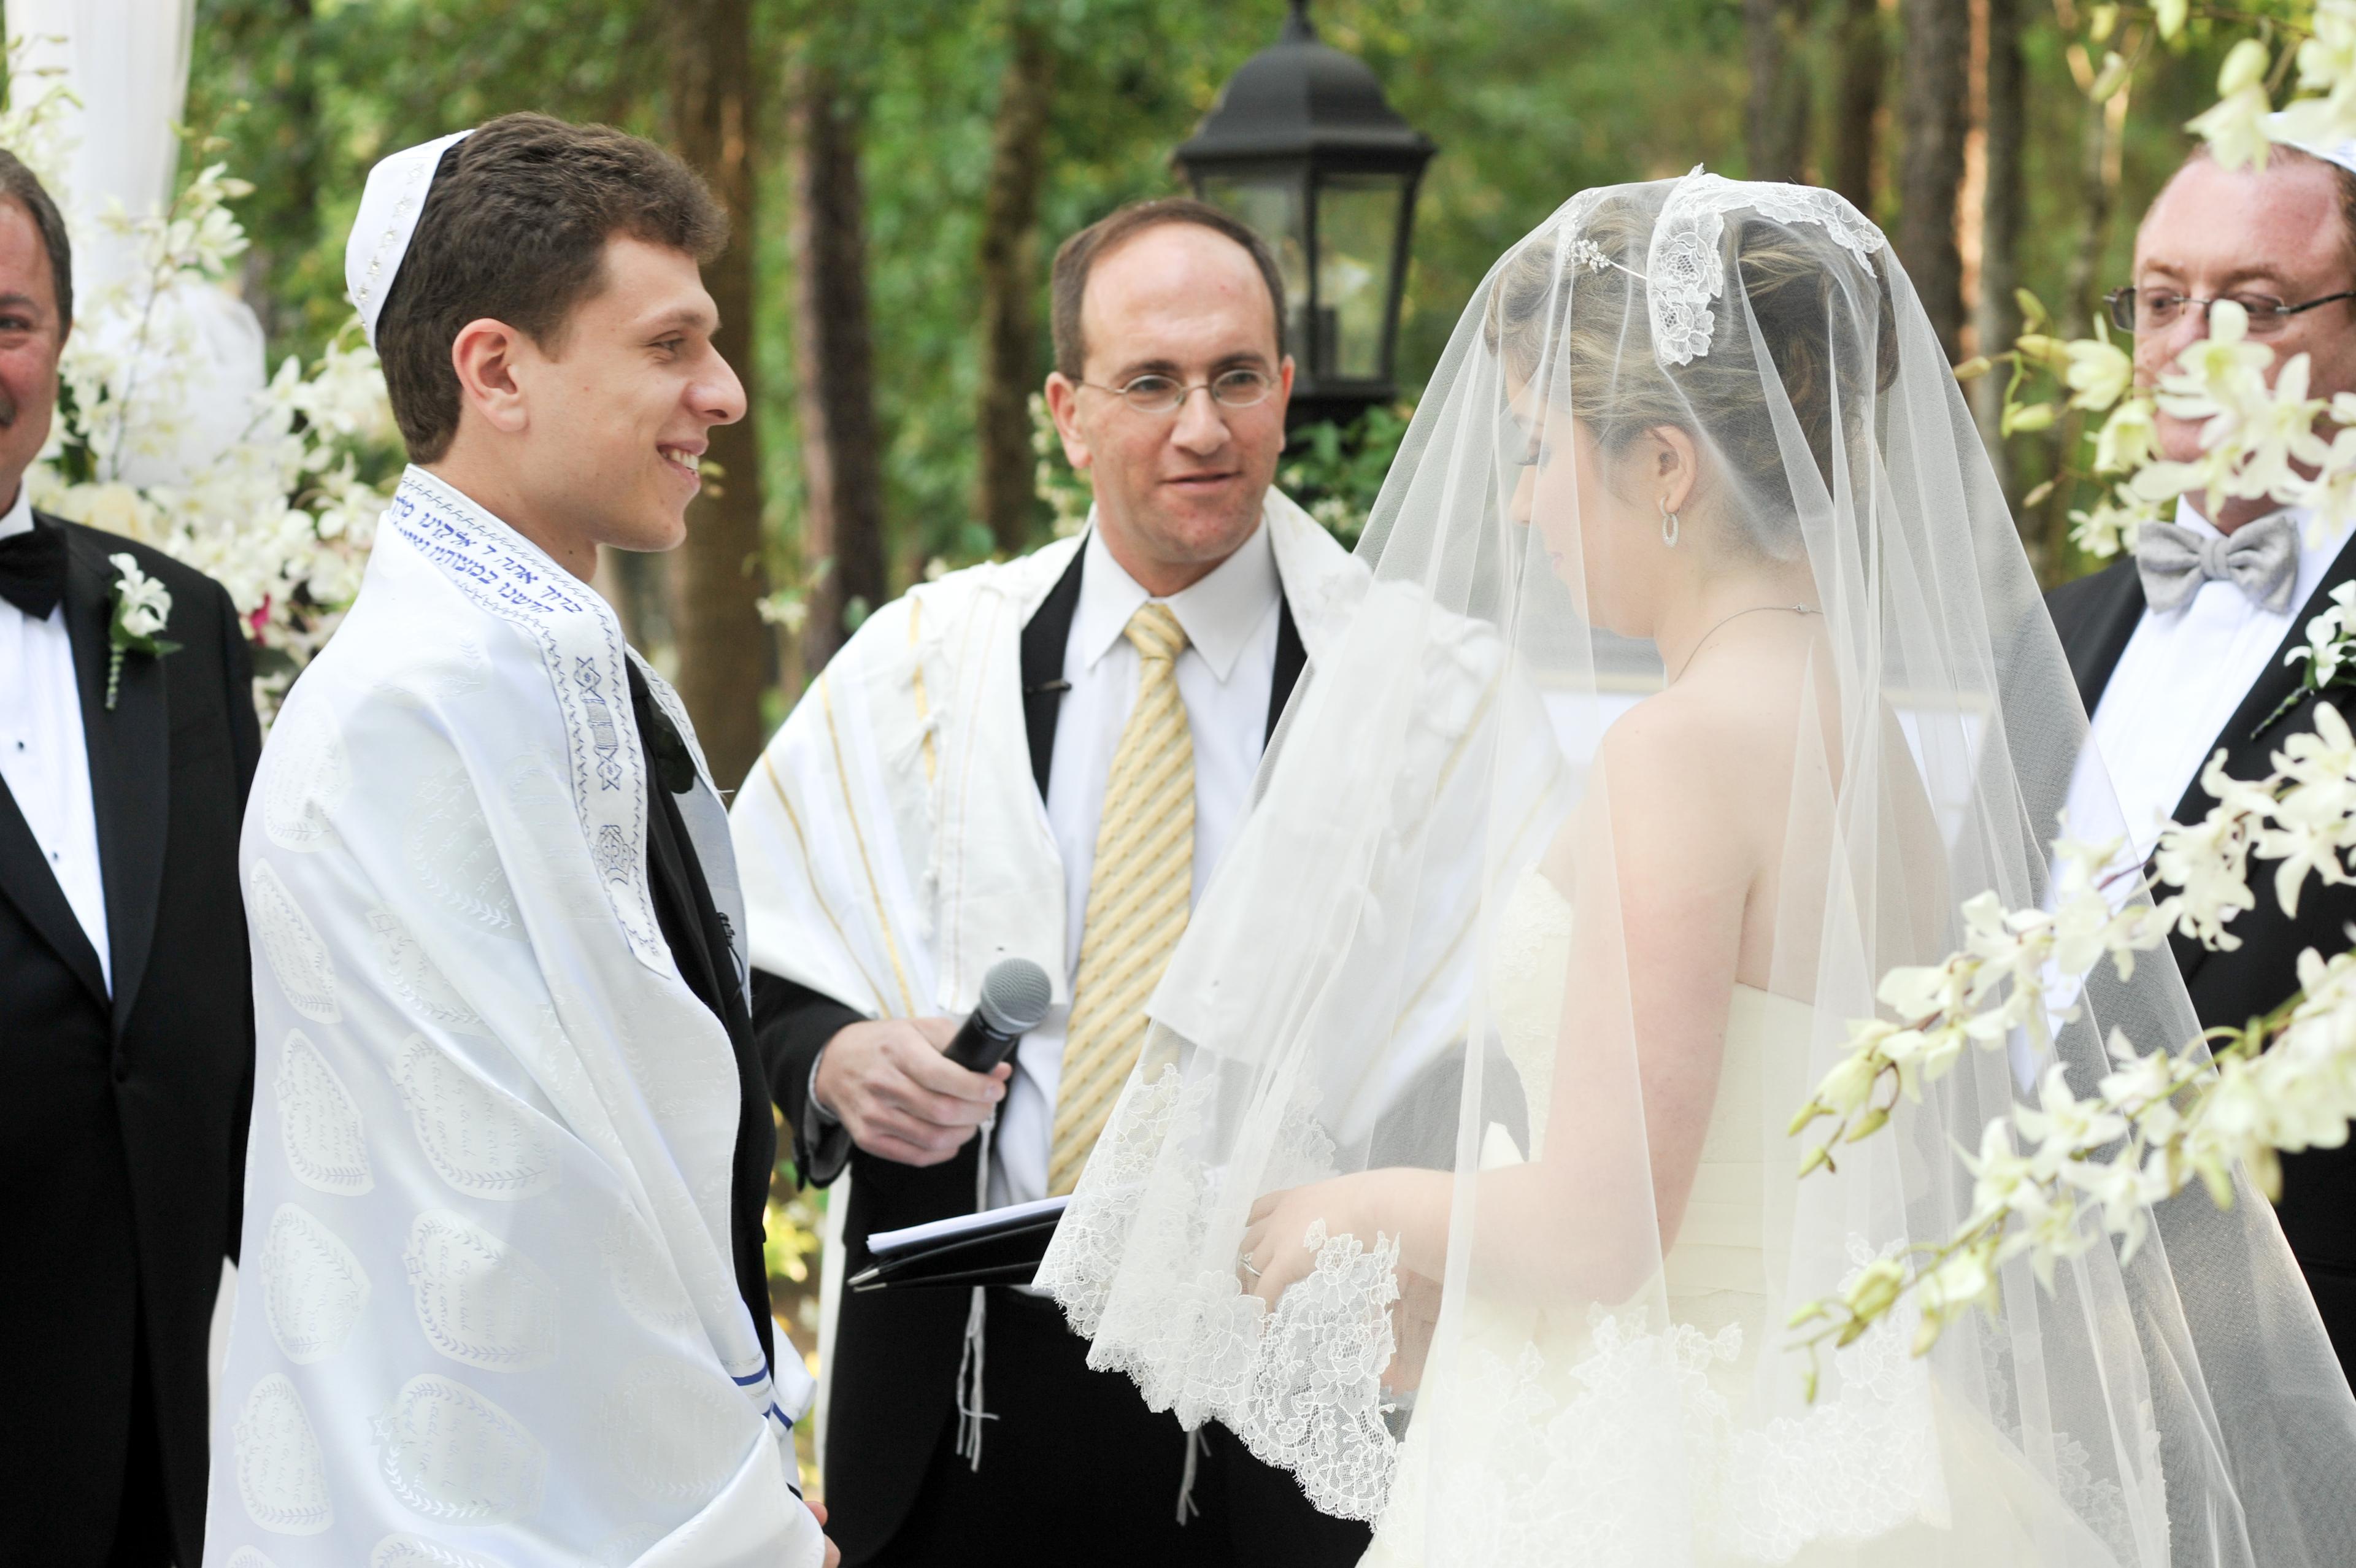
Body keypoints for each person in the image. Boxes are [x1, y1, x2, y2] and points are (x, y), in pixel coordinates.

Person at [1039, 173, 2356, 1566]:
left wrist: (1340, 1215)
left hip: (1687, 1469)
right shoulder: (1869, 737)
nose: (1525, 502)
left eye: (1542, 449)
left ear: (1666, 467)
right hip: (1859, 1430)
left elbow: (1603, 1225)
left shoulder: (1676, 754)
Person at [203, 115, 829, 1567]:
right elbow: (515, 1211)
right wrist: (749, 1522)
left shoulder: (537, 660)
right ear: (496, 371)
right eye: (670, 346)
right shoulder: (415, 711)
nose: (724, 393)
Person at [731, 199, 1392, 1566]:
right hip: (963, 1401)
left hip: (1277, 1412)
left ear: (1283, 388)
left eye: (1237, 378)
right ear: (1067, 411)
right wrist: (837, 1061)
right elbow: (751, 963)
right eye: (1150, 383)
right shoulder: (918, 668)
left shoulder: (1406, 691)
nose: (1201, 427)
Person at [2050, 133, 2356, 1380]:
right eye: (2163, 300)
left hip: (2303, 1371)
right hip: (2023, 1362)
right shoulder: (2052, 630)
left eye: (2256, 305)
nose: (2189, 345)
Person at [0, 148, 261, 1567]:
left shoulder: (178, 623)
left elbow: (265, 973)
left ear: (60, 344)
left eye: (7, 322)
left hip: (173, 1400)